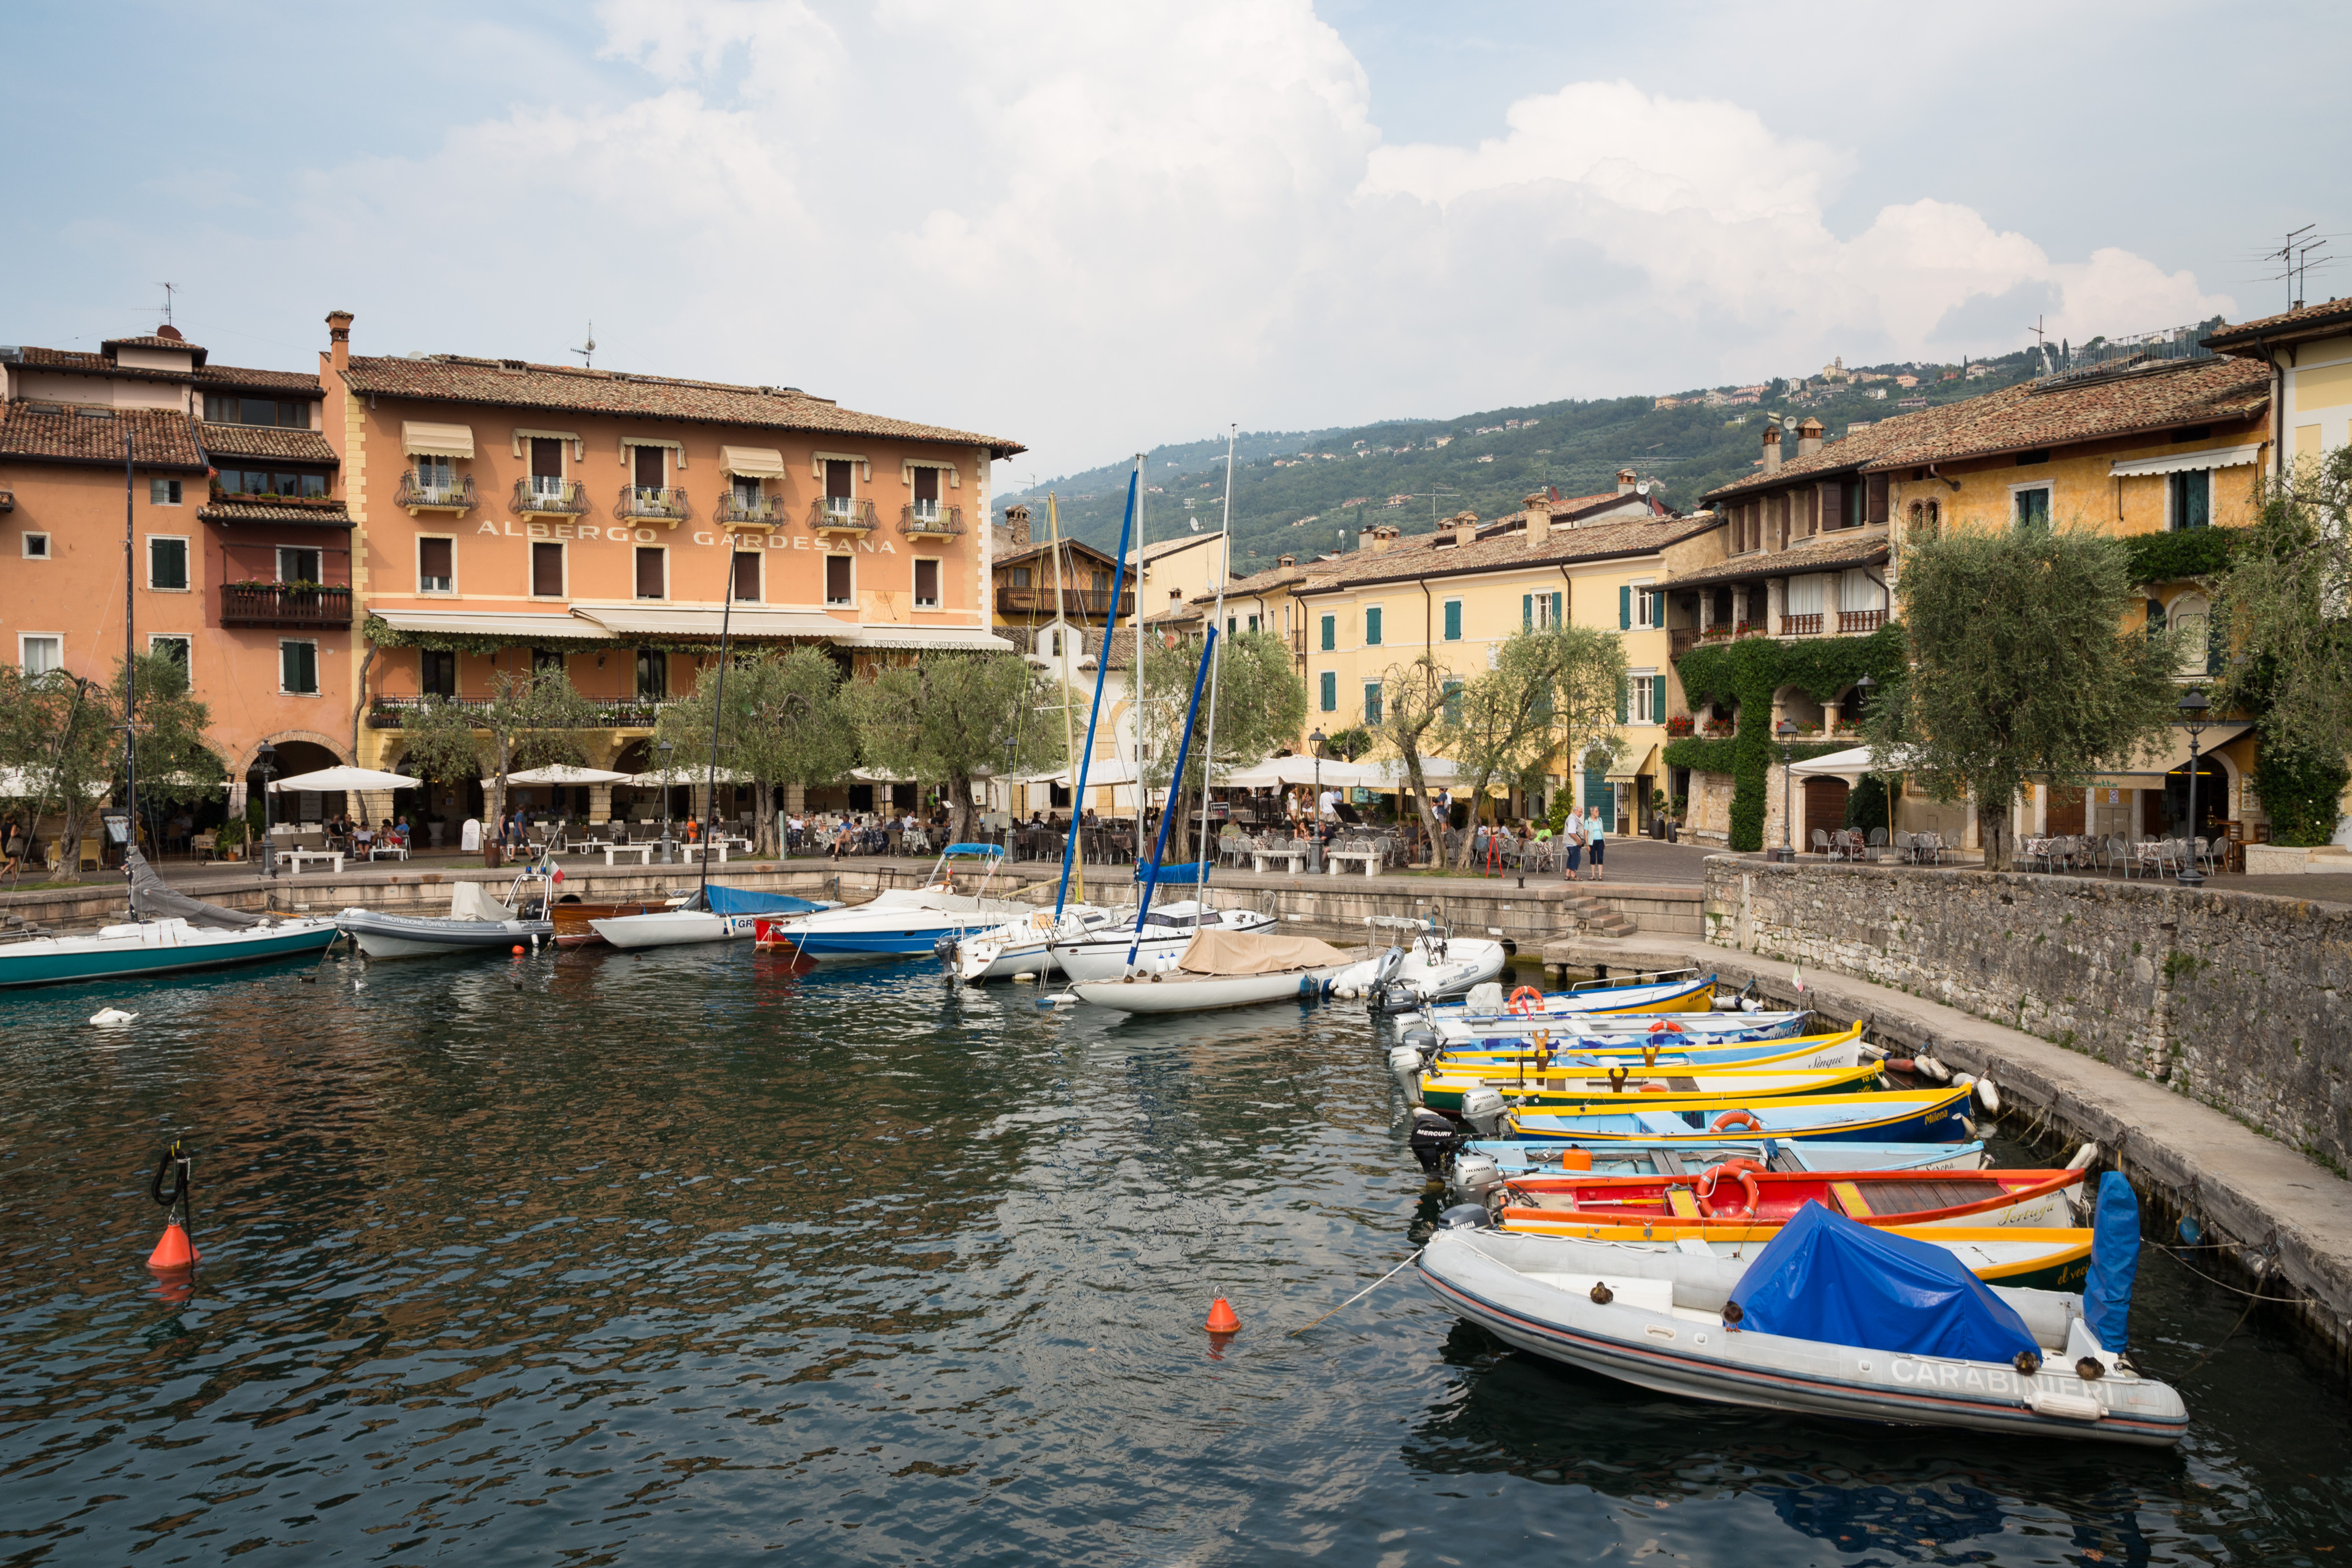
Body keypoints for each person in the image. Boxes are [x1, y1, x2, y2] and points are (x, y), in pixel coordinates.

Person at [1559, 804, 1586, 882]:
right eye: (1580, 812)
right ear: (1575, 811)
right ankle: (1573, 875)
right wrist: (1578, 841)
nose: (1581, 814)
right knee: (1576, 858)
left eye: (1582, 812)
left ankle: (1567, 875)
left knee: (1571, 858)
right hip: (1573, 843)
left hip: (1570, 843)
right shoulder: (1572, 819)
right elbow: (1571, 832)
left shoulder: (1573, 818)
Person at [1584, 804, 1607, 881]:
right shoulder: (1588, 821)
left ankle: (1600, 875)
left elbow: (1602, 831)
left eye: (1598, 811)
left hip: (1600, 841)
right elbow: (1586, 834)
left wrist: (1604, 842)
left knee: (1600, 857)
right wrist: (1587, 845)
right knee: (1593, 858)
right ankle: (1593, 875)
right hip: (1592, 841)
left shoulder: (1600, 820)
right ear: (1592, 812)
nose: (1598, 812)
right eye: (1596, 811)